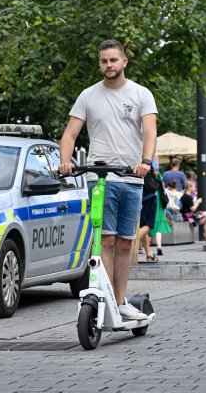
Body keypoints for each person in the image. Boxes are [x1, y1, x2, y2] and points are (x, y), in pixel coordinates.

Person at [59, 39, 157, 321]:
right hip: (100, 177)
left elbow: (149, 131)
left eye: (113, 60)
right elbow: (69, 135)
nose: (109, 65)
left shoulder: (141, 94)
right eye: (104, 61)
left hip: (131, 177)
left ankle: (120, 300)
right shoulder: (88, 96)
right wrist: (65, 161)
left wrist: (146, 162)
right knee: (106, 240)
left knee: (126, 242)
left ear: (124, 62)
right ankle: (102, 296)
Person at [149, 160, 172, 256]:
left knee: (148, 225)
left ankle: (147, 249)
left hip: (150, 201)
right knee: (159, 227)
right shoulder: (159, 177)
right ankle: (159, 246)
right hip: (159, 204)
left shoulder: (148, 178)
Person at [138, 169, 160, 262]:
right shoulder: (148, 156)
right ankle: (130, 242)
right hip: (148, 195)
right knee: (149, 225)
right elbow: (155, 170)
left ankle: (149, 253)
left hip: (137, 192)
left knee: (141, 225)